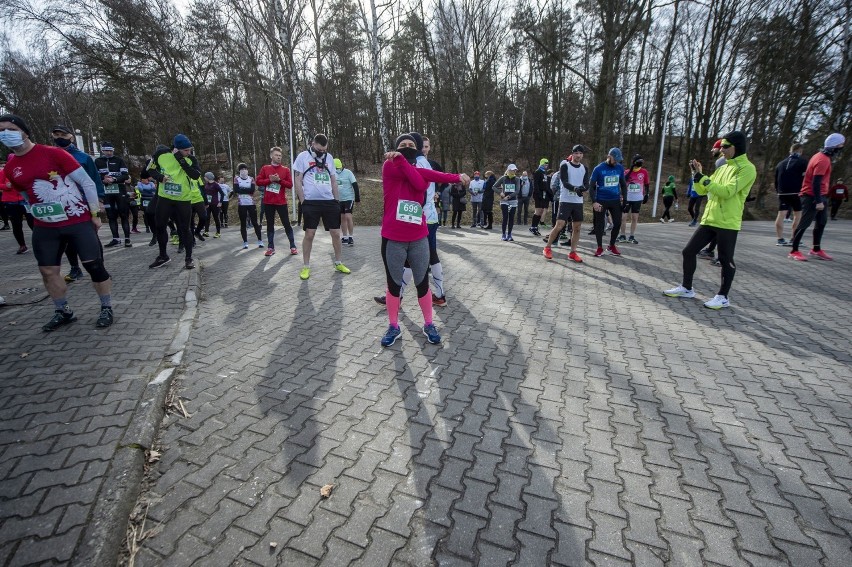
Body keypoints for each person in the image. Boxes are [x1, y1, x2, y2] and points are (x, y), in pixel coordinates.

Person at [0, 114, 114, 329]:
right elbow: (24, 192)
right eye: (0, 131)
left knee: (94, 265)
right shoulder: (10, 165)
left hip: (77, 220)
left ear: (24, 131)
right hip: (45, 225)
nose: (5, 134)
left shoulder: (53, 153)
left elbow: (87, 183)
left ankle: (106, 307)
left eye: (10, 129)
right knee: (48, 271)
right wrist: (32, 210)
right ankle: (63, 310)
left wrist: (95, 214)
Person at [377, 134, 466, 347]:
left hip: (418, 238)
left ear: (417, 151)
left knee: (422, 284)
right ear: (395, 148)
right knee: (393, 285)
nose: (406, 147)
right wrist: (397, 160)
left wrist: (457, 177)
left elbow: (422, 180)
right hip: (393, 238)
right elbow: (419, 176)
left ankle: (428, 324)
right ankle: (393, 326)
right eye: (402, 145)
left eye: (411, 145)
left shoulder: (419, 172)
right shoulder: (389, 167)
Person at [664, 131, 756, 309]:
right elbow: (702, 191)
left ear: (736, 147)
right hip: (710, 219)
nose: (721, 149)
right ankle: (687, 288)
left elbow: (728, 191)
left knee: (725, 259)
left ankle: (723, 296)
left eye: (725, 146)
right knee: (688, 252)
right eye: (721, 146)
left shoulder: (747, 168)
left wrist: (703, 179)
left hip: (728, 222)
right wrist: (696, 175)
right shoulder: (722, 167)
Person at [51, 125, 105, 282]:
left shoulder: (83, 158)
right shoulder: (50, 157)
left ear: (71, 137)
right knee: (67, 238)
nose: (60, 137)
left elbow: (95, 180)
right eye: (56, 134)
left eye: (63, 134)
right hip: (61, 202)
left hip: (83, 202)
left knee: (91, 236)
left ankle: (99, 266)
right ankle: (75, 268)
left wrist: (99, 200)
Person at [293, 133, 349, 280]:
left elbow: (333, 180)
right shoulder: (302, 157)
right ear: (312, 144)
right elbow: (297, 180)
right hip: (311, 202)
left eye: (324, 150)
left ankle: (338, 263)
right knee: (310, 234)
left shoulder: (329, 158)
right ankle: (306, 266)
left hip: (329, 202)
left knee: (336, 234)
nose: (321, 153)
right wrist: (303, 200)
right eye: (319, 150)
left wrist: (337, 200)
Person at [789, 133, 845, 261]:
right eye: (840, 146)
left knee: (821, 223)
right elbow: (816, 182)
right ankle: (794, 250)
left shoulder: (821, 156)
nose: (841, 149)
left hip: (820, 195)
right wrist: (818, 201)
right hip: (812, 196)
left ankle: (816, 249)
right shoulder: (822, 160)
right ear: (834, 147)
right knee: (804, 224)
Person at [147, 136, 201, 269]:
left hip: (183, 199)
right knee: (160, 226)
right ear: (176, 149)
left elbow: (195, 175)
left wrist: (181, 160)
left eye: (190, 150)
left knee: (185, 229)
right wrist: (160, 177)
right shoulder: (161, 155)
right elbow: (150, 169)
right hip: (165, 197)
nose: (189, 152)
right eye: (186, 150)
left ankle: (188, 259)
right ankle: (163, 256)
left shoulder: (190, 159)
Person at [543, 145, 588, 263]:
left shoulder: (584, 168)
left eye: (580, 153)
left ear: (582, 155)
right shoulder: (565, 166)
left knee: (577, 228)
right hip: (565, 200)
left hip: (578, 201)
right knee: (559, 225)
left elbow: (586, 183)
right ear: (572, 154)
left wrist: (583, 189)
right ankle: (547, 247)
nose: (578, 155)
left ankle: (573, 252)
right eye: (576, 153)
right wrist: (575, 189)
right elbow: (565, 182)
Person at [256, 147, 297, 256]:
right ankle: (270, 247)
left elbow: (290, 185)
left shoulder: (285, 170)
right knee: (270, 224)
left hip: (281, 202)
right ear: (271, 156)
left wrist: (279, 180)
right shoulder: (265, 168)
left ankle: (293, 246)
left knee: (286, 224)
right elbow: (258, 181)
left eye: (280, 155)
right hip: (268, 202)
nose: (278, 157)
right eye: (276, 155)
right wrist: (270, 180)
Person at [589, 148, 628, 257]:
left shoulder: (620, 168)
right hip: (601, 200)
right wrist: (594, 201)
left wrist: (625, 200)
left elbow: (623, 185)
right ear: (609, 156)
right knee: (600, 225)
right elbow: (591, 186)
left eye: (618, 160)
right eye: (615, 159)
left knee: (618, 223)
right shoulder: (598, 169)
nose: (616, 162)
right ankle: (599, 247)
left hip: (615, 200)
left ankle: (611, 246)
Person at [96, 141, 132, 248]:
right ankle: (115, 239)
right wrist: (103, 179)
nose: (109, 153)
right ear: (102, 151)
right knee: (111, 216)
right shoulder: (98, 161)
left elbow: (125, 175)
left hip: (120, 191)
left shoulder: (119, 160)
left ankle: (127, 239)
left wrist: (114, 179)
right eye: (106, 150)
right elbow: (94, 176)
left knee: (124, 215)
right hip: (107, 192)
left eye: (110, 150)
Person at [774, 142, 807, 246]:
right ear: (800, 151)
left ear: (790, 151)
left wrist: (778, 191)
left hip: (782, 192)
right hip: (796, 192)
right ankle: (794, 238)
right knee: (798, 215)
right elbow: (806, 177)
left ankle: (780, 239)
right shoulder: (803, 162)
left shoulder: (780, 164)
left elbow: (776, 180)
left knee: (781, 215)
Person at [0, 164, 33, 254]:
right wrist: (7, 186)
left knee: (32, 222)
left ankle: (43, 242)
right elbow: (0, 184)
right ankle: (22, 246)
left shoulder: (25, 169)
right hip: (10, 202)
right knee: (16, 225)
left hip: (25, 200)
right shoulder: (4, 172)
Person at [618, 155, 650, 243]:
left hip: (638, 198)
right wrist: (631, 169)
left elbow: (647, 184)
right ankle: (622, 235)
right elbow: (624, 180)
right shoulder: (627, 171)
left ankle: (632, 236)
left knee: (635, 217)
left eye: (642, 161)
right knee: (623, 217)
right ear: (634, 162)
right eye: (639, 161)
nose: (641, 163)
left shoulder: (644, 172)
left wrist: (647, 194)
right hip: (627, 197)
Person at [233, 162, 263, 249]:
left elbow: (252, 190)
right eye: (242, 169)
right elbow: (236, 190)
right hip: (241, 204)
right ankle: (245, 242)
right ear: (239, 171)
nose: (244, 171)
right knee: (243, 223)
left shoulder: (251, 179)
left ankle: (260, 241)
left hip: (251, 203)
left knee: (255, 223)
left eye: (245, 169)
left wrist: (242, 189)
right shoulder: (236, 179)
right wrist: (246, 189)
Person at [334, 157, 359, 245]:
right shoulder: (333, 174)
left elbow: (355, 185)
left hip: (348, 198)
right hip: (339, 199)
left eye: (338, 168)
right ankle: (344, 237)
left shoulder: (348, 173)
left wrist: (357, 198)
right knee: (342, 218)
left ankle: (351, 237)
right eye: (335, 169)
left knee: (348, 216)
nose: (337, 170)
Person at [493, 164, 520, 241]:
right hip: (504, 201)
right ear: (509, 170)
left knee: (511, 218)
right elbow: (494, 187)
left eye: (515, 170)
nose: (514, 171)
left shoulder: (517, 179)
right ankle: (503, 234)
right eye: (512, 170)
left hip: (513, 201)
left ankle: (509, 234)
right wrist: (500, 193)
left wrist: (509, 196)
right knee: (505, 217)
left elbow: (517, 191)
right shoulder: (503, 178)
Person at [529, 158, 551, 235]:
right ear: (541, 163)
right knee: (538, 211)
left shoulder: (544, 172)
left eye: (547, 164)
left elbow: (545, 184)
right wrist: (538, 194)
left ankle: (535, 227)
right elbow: (536, 184)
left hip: (543, 194)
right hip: (538, 194)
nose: (546, 165)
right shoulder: (538, 172)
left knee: (541, 211)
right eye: (545, 163)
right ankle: (533, 227)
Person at [137, 171, 157, 244]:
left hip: (151, 199)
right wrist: (149, 190)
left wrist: (147, 190)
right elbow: (141, 190)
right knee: (147, 214)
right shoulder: (139, 184)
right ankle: (147, 227)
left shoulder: (151, 183)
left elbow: (154, 189)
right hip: (144, 200)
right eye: (144, 179)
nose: (146, 180)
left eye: (147, 179)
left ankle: (156, 231)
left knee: (154, 214)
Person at [202, 172, 223, 238]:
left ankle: (218, 232)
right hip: (208, 204)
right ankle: (206, 232)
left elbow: (222, 194)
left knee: (216, 218)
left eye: (205, 177)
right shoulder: (206, 184)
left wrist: (220, 202)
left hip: (215, 204)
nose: (204, 178)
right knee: (207, 217)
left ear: (209, 177)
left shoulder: (215, 184)